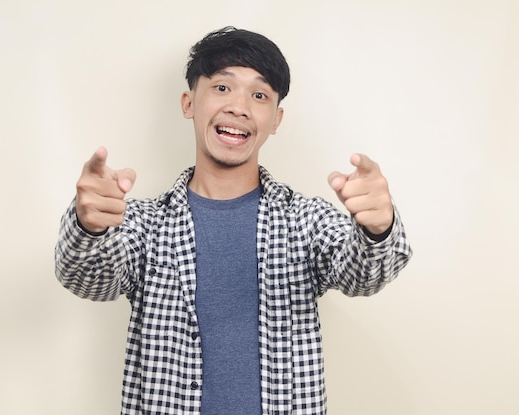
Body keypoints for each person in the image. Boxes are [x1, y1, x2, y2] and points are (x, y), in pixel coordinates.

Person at [55, 26, 412, 415]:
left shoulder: (305, 220)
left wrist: (378, 229)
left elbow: (361, 274)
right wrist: (90, 226)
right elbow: (87, 279)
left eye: (258, 95)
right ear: (189, 102)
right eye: (222, 88)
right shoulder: (144, 224)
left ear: (276, 119)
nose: (239, 107)